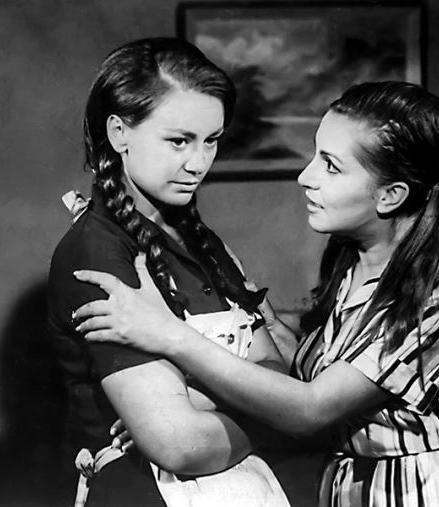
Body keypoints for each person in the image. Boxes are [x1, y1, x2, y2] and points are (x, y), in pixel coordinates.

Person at [72, 81, 439, 506]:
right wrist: (187, 402)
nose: (306, 176)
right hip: (352, 486)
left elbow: (310, 407)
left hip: (426, 492)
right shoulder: (355, 262)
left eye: (331, 166)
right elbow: (315, 366)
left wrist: (171, 336)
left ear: (390, 196)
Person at [47, 37, 291, 507]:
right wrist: (275, 413)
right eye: (179, 140)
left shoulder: (203, 242)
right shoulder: (97, 254)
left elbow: (276, 370)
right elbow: (180, 444)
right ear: (119, 133)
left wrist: (239, 399)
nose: (198, 163)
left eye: (211, 140)